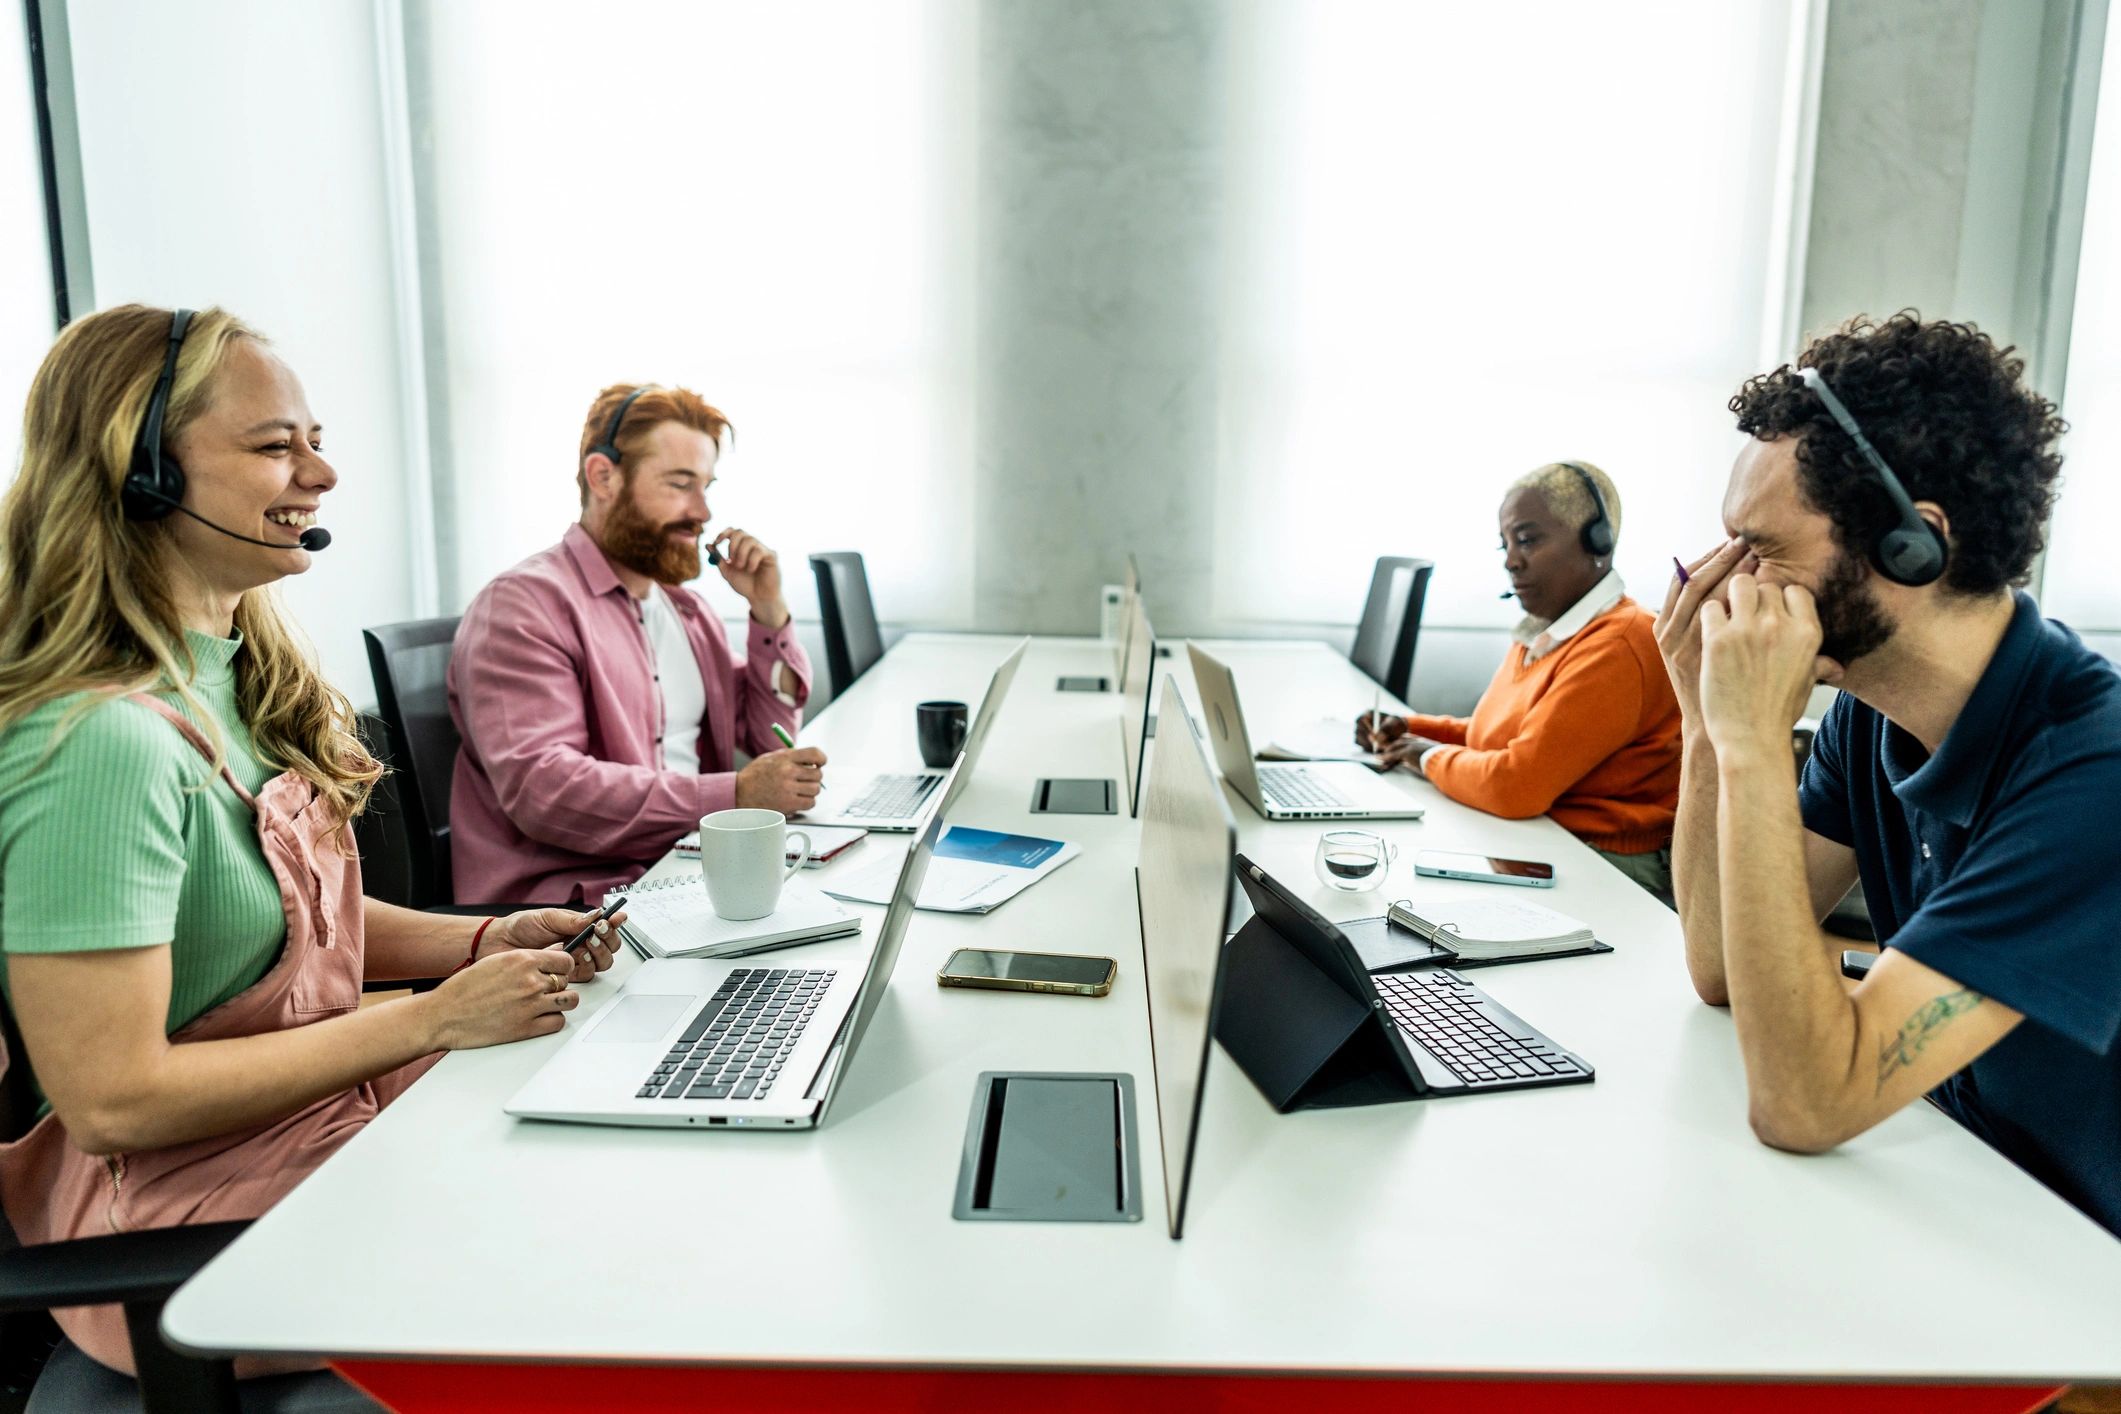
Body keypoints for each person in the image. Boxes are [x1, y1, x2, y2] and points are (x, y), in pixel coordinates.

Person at [0, 305, 621, 1381]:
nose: (321, 476)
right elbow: (114, 1097)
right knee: (599, 1259)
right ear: (141, 474)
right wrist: (430, 1020)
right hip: (183, 1222)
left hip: (304, 1135)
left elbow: (282, 920)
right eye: (275, 445)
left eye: (316, 441)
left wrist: (479, 944)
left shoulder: (238, 672)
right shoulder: (99, 744)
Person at [1659, 311, 2121, 1237]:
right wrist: (1708, 731)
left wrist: (1752, 743)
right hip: (1968, 1192)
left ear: (1912, 547)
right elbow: (1719, 970)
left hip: (2078, 1283)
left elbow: (1803, 1103)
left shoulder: (2093, 769)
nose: (1728, 582)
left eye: (1763, 548)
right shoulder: (1868, 715)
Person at [448, 383, 822, 905]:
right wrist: (733, 795)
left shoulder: (686, 611)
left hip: (689, 876)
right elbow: (546, 791)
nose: (703, 511)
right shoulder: (522, 607)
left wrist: (769, 611)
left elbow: (767, 740)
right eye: (679, 484)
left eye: (707, 486)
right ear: (604, 476)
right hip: (578, 908)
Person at [1357, 461, 1682, 896]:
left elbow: (1516, 786)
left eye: (1526, 540)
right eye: (1505, 545)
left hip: (1606, 863)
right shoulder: (1546, 632)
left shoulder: (1622, 642)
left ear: (1595, 541)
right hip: (1543, 838)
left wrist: (1425, 756)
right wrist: (1412, 729)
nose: (1511, 561)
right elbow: (1503, 739)